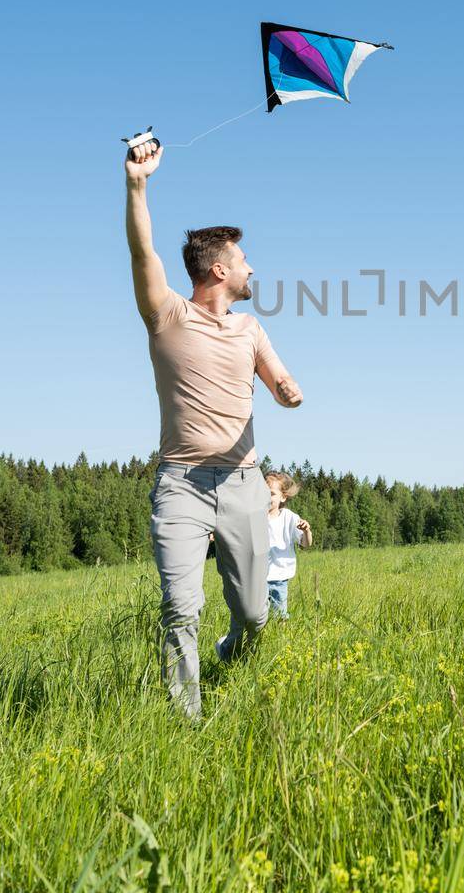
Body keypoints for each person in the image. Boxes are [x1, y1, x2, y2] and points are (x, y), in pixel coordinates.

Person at [124, 136, 304, 719]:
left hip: (245, 486)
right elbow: (141, 251)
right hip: (181, 485)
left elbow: (276, 376)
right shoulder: (167, 315)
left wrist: (285, 390)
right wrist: (137, 184)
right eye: (245, 259)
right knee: (181, 606)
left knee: (253, 615)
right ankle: (186, 720)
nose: (253, 267)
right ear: (220, 269)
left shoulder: (250, 328)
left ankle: (231, 653)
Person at [264, 471, 312, 620]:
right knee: (258, 616)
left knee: (279, 615)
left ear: (283, 497)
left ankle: (280, 639)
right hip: (258, 577)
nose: (266, 497)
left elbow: (305, 544)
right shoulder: (255, 516)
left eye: (271, 493)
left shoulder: (289, 517)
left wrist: (306, 531)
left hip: (280, 577)